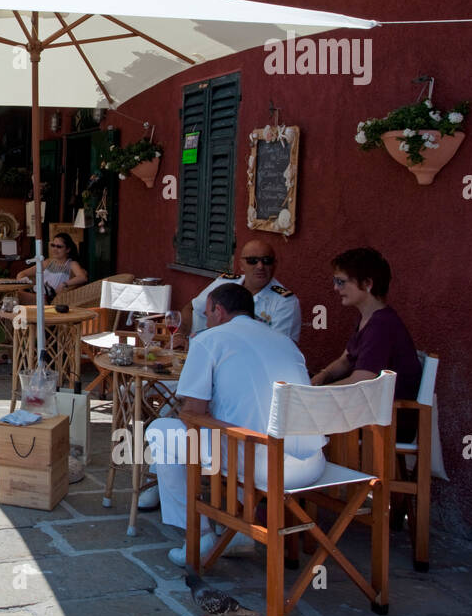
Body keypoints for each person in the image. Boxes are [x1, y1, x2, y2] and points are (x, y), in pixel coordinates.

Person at [145, 283, 327, 566]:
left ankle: (200, 533)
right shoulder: (285, 342)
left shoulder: (210, 339)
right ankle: (240, 530)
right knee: (240, 427)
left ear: (218, 311)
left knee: (161, 433)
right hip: (311, 464)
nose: (206, 320)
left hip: (264, 465)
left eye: (207, 313)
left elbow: (192, 412)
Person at [311, 247, 421, 441]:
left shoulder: (381, 325)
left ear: (368, 284)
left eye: (341, 282)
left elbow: (362, 381)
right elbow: (345, 360)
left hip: (388, 420)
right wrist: (322, 377)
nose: (336, 288)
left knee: (305, 417)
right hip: (369, 410)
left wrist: (316, 395)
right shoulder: (368, 319)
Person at [181, 238, 301, 342]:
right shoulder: (224, 283)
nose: (260, 266)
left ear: (274, 265)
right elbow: (190, 308)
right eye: (252, 261)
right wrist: (179, 336)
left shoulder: (285, 302)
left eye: (266, 261)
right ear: (241, 265)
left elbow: (280, 348)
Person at [15, 233, 88, 305]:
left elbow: (83, 277)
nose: (55, 249)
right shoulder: (48, 262)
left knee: (14, 296)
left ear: (68, 249)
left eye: (59, 247)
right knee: (12, 295)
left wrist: (64, 284)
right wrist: (22, 288)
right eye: (53, 245)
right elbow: (21, 274)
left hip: (48, 298)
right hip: (35, 292)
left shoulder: (71, 263)